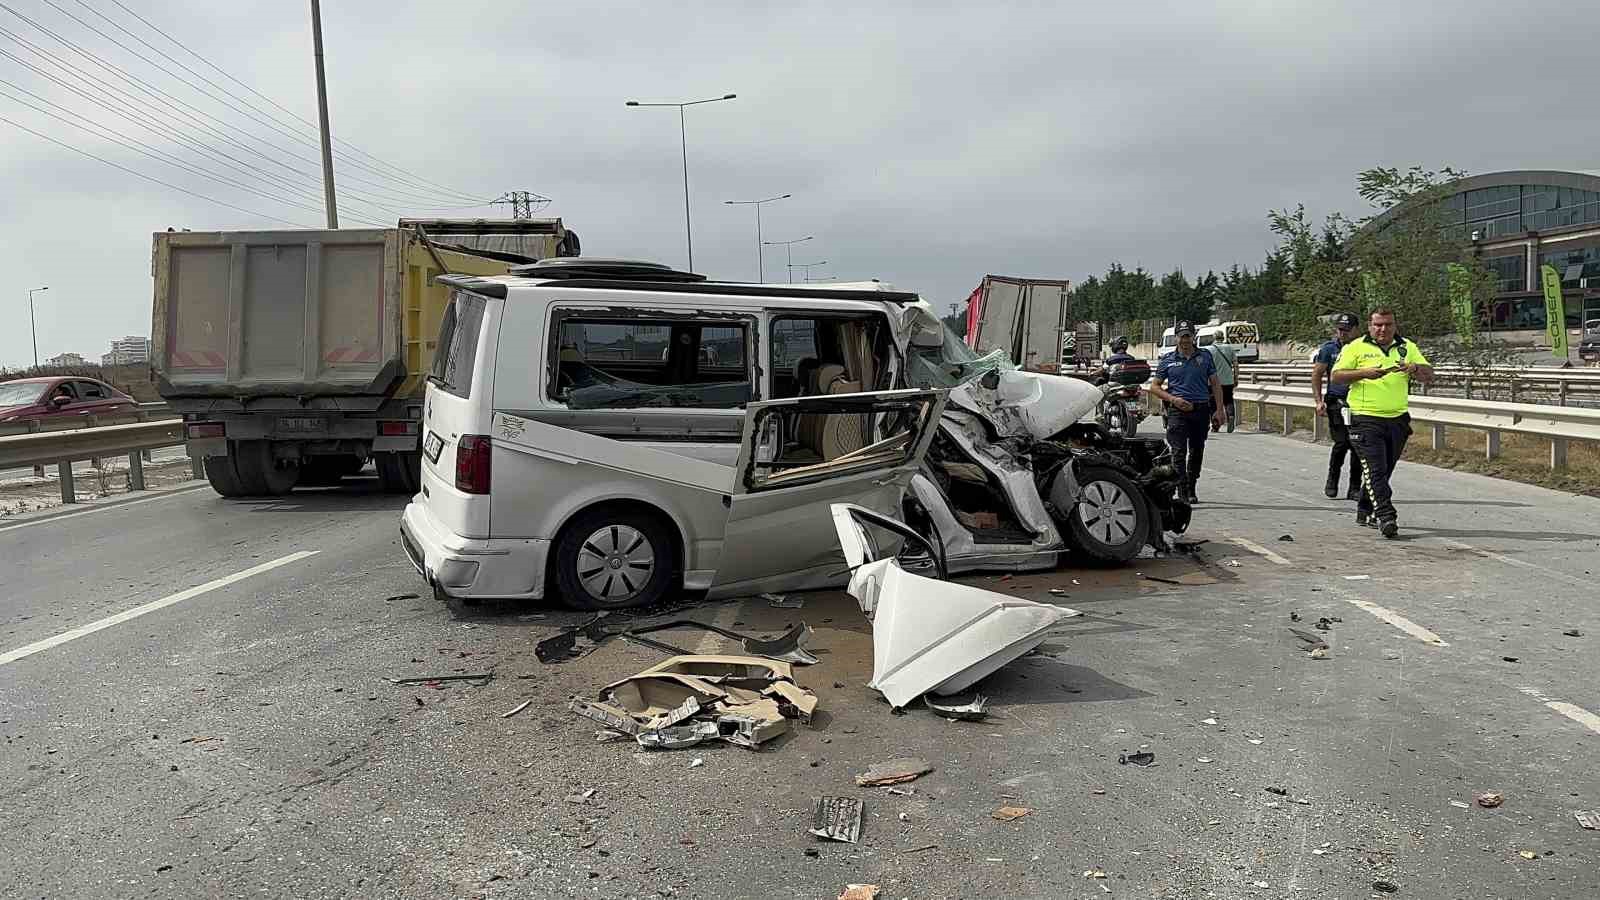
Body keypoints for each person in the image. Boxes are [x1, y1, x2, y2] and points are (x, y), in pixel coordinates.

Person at [1331, 308, 1434, 538]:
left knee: (1384, 470)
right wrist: (1363, 373)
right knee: (1375, 469)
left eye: (1387, 324)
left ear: (1395, 326)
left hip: (1397, 418)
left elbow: (1429, 375)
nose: (1383, 329)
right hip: (1364, 418)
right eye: (1378, 325)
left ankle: (1365, 508)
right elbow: (1336, 376)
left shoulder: (1407, 347)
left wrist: (1414, 368)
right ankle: (1386, 516)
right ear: (1370, 326)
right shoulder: (1356, 347)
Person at [1148, 321, 1226, 504]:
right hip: (1177, 411)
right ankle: (1182, 490)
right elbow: (1154, 386)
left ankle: (1191, 485)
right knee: (1178, 452)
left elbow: (1215, 383)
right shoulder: (1168, 359)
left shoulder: (1205, 356)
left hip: (1201, 409)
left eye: (1188, 336)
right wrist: (1173, 399)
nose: (1185, 340)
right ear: (1176, 338)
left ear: (1193, 337)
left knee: (1197, 450)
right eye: (1182, 336)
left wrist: (1219, 410)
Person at [1311, 313, 1361, 499]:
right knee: (1342, 443)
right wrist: (1318, 401)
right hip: (1336, 402)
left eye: (1347, 330)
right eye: (1340, 329)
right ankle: (1332, 480)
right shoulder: (1329, 349)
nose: (1343, 333)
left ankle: (1355, 487)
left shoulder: (1364, 348)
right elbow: (1317, 374)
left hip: (1359, 403)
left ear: (1356, 330)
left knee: (1358, 445)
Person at [1205, 340, 1238, 433]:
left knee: (1213, 404)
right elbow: (1235, 365)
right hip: (1228, 380)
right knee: (1228, 400)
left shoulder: (1209, 349)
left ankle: (1215, 425)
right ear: (1223, 337)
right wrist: (1236, 378)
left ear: (1214, 338)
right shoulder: (1230, 348)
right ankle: (1230, 416)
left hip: (1214, 382)